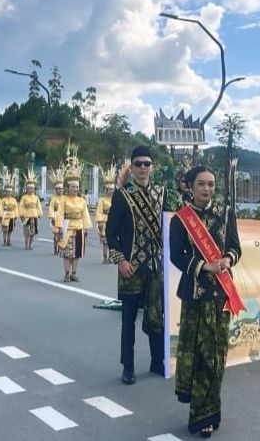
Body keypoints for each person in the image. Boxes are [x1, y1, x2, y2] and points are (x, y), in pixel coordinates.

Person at [170, 166, 241, 438]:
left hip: (221, 297)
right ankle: (201, 416)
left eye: (211, 184)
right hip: (195, 296)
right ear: (190, 186)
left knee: (216, 356)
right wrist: (204, 266)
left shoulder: (226, 214)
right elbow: (177, 255)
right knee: (198, 355)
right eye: (201, 184)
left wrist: (227, 260)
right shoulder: (181, 219)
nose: (207, 189)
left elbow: (236, 247)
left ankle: (211, 411)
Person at [106, 146, 168, 385]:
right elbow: (110, 233)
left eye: (147, 163)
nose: (143, 168)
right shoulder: (122, 195)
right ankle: (128, 366)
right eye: (138, 164)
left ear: (152, 167)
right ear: (131, 168)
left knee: (156, 316)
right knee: (128, 320)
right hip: (130, 267)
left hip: (155, 266)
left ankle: (157, 361)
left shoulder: (162, 193)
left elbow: (168, 225)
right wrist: (119, 260)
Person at [55, 147, 92, 282]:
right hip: (67, 228)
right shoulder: (64, 200)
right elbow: (59, 214)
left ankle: (74, 273)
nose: (75, 189)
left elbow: (85, 215)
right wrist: (59, 228)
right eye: (72, 187)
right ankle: (66, 273)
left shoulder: (82, 201)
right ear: (68, 188)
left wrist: (86, 228)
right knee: (66, 254)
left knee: (77, 253)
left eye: (77, 187)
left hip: (79, 228)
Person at [95, 165, 117, 264]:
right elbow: (99, 211)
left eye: (112, 189)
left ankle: (112, 257)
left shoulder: (116, 199)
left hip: (113, 220)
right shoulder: (102, 200)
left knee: (113, 241)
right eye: (109, 189)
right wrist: (99, 222)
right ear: (106, 190)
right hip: (104, 221)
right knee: (105, 242)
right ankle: (105, 257)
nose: (111, 191)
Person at [18, 169, 43, 250]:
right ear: (27, 189)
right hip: (27, 216)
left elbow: (38, 206)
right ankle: (26, 244)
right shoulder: (24, 197)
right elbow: (21, 206)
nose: (31, 190)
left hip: (34, 216)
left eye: (33, 188)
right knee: (27, 232)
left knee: (33, 232)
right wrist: (21, 215)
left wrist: (39, 214)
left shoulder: (36, 198)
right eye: (30, 188)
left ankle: (30, 244)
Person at [48, 166, 66, 255]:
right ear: (56, 190)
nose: (60, 190)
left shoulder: (65, 198)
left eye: (61, 189)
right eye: (58, 189)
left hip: (63, 218)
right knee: (56, 235)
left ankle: (61, 248)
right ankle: (55, 248)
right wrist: (52, 217)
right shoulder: (53, 199)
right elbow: (51, 208)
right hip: (56, 217)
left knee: (63, 235)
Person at [0, 171, 19, 247]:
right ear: (6, 192)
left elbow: (16, 208)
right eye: (7, 192)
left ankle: (9, 240)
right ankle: (4, 240)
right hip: (5, 216)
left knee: (10, 230)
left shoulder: (14, 200)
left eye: (10, 192)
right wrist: (1, 215)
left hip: (12, 216)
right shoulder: (3, 200)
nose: (8, 193)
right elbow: (1, 208)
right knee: (5, 229)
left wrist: (16, 215)